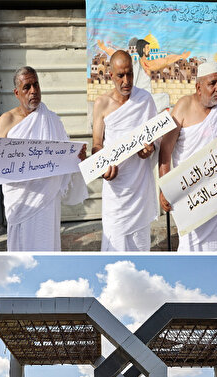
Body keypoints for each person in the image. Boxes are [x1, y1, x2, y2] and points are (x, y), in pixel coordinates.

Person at [0, 66, 88, 251]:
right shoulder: (7, 120)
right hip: (21, 200)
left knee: (47, 246)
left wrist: (78, 157)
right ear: (16, 92)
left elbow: (66, 156)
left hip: (46, 199)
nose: (33, 91)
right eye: (27, 87)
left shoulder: (51, 119)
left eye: (36, 85)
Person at [158, 61, 217, 251]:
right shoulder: (183, 107)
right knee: (191, 247)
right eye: (212, 83)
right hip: (190, 195)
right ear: (198, 87)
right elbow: (165, 150)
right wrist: (165, 188)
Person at [91, 50, 158, 251]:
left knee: (140, 244)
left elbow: (154, 139)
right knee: (114, 241)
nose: (126, 80)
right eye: (121, 75)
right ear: (111, 75)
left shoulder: (145, 100)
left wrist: (149, 149)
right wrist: (103, 167)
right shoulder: (101, 103)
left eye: (130, 74)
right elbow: (96, 144)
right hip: (116, 188)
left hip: (139, 186)